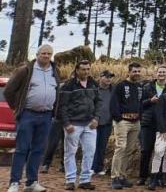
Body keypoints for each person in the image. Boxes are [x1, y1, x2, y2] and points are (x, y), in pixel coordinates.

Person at [5, 43, 59, 192]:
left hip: (46, 116)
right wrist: (17, 107)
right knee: (22, 149)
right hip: (28, 114)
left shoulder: (55, 71)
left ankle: (31, 182)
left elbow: (57, 90)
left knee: (38, 150)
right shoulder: (26, 70)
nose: (46, 56)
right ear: (37, 55)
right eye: (43, 53)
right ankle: (14, 182)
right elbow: (9, 90)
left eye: (49, 54)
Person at [58, 59, 101, 191]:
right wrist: (66, 123)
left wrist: (96, 118)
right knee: (70, 152)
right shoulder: (68, 85)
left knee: (90, 152)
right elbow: (62, 106)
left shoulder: (93, 83)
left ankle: (85, 180)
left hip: (90, 124)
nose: (86, 71)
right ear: (77, 70)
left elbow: (98, 102)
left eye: (88, 69)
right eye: (83, 69)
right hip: (73, 124)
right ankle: (70, 180)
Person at [110, 62, 143, 190]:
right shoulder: (120, 86)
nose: (137, 73)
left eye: (138, 71)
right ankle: (114, 177)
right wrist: (118, 118)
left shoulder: (140, 87)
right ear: (129, 72)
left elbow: (141, 103)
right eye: (134, 71)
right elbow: (113, 103)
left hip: (136, 122)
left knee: (129, 150)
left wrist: (139, 116)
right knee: (120, 147)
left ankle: (122, 176)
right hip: (122, 121)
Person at [139, 66, 166, 186]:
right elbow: (140, 104)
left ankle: (158, 177)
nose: (161, 74)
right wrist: (150, 101)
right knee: (145, 150)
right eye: (159, 72)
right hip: (148, 123)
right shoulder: (147, 87)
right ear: (155, 74)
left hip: (163, 124)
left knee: (161, 151)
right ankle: (143, 177)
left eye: (164, 72)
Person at [91, 70, 114, 177]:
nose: (109, 79)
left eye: (110, 77)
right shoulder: (94, 89)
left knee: (102, 146)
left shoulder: (113, 90)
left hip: (107, 122)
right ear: (100, 77)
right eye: (107, 77)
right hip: (93, 122)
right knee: (92, 146)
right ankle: (91, 167)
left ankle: (98, 168)